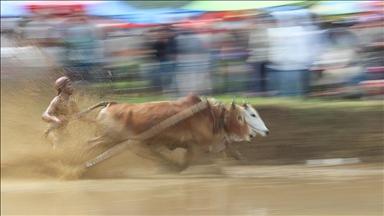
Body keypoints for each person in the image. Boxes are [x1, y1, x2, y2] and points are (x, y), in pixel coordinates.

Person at [42, 76, 94, 149]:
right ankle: (53, 159)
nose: (72, 87)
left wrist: (94, 121)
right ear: (62, 88)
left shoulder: (72, 103)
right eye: (69, 85)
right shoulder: (57, 100)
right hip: (53, 131)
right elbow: (44, 115)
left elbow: (80, 117)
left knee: (73, 147)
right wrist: (56, 119)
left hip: (64, 132)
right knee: (58, 144)